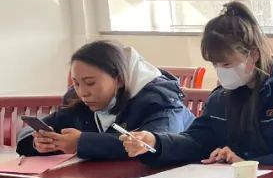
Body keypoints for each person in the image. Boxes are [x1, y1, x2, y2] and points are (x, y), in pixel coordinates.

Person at [121, 2, 273, 167]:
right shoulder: (222, 97)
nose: (221, 72)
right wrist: (156, 143)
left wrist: (249, 163)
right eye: (215, 65)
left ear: (253, 55)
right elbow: (197, 140)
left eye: (226, 64)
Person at [16, 41, 193, 160]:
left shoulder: (160, 101)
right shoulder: (77, 101)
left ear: (119, 79)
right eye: (76, 83)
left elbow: (156, 143)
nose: (83, 92)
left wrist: (82, 143)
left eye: (90, 83)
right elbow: (27, 132)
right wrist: (42, 143)